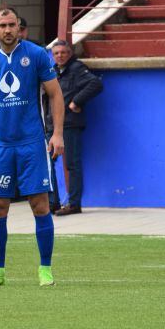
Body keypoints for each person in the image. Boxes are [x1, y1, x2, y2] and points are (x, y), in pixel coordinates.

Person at [0, 6, 65, 287]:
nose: (8, 30)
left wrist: (57, 134)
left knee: (40, 205)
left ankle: (45, 270)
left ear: (19, 27)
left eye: (12, 25)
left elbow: (55, 95)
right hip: (0, 145)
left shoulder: (35, 55)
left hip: (32, 142)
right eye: (3, 25)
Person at [45, 40, 102, 216]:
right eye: (56, 53)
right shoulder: (52, 71)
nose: (60, 56)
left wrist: (76, 101)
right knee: (47, 163)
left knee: (72, 164)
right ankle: (53, 202)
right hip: (51, 124)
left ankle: (74, 204)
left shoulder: (77, 68)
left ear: (69, 53)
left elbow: (96, 84)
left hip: (70, 124)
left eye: (63, 52)